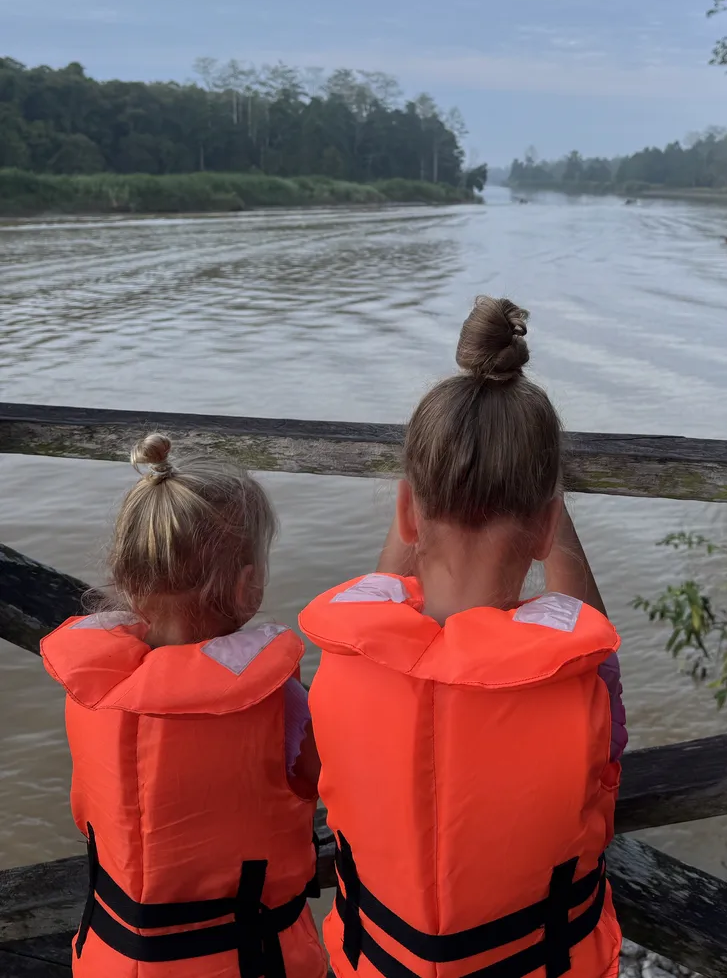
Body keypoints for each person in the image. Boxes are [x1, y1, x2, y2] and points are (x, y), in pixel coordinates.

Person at [301, 296, 625, 978]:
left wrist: (420, 496)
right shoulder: (583, 686)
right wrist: (550, 509)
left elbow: (375, 611)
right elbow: (589, 638)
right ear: (546, 524)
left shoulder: (340, 669)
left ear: (406, 513)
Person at [41, 434, 327, 978]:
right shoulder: (279, 700)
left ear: (127, 579)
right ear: (249, 587)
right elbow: (328, 779)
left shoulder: (90, 690)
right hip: (246, 960)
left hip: (111, 956)